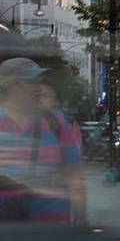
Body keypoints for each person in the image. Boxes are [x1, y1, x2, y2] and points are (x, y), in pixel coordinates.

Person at [0, 57, 86, 224]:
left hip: (52, 221)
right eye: (32, 82)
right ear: (13, 86)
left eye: (39, 82)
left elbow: (73, 173)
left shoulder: (56, 122)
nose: (39, 88)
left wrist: (82, 218)